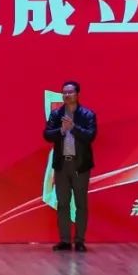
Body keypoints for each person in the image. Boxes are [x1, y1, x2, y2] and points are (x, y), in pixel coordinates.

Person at [43, 81, 98, 252]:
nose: (67, 95)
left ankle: (80, 240)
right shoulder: (56, 114)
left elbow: (90, 136)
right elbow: (47, 134)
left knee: (81, 204)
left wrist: (73, 128)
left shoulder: (87, 114)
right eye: (64, 93)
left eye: (70, 92)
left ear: (77, 94)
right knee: (63, 203)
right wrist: (61, 130)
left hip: (80, 164)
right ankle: (65, 240)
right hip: (62, 164)